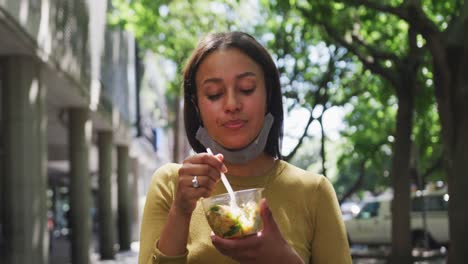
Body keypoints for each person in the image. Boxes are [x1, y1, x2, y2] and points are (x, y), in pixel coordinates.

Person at [139, 32, 352, 264]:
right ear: (196, 106)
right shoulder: (171, 184)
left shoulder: (314, 192)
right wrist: (180, 212)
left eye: (247, 88)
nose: (232, 104)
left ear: (268, 95)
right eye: (214, 94)